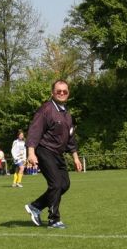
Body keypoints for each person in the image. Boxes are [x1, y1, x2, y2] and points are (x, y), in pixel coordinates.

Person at [24, 79, 83, 229]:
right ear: (52, 93)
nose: (62, 93)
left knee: (64, 185)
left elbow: (70, 139)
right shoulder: (45, 110)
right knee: (56, 184)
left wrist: (76, 158)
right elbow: (34, 131)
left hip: (58, 154)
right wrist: (31, 152)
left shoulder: (67, 114)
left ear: (68, 93)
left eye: (65, 91)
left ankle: (36, 206)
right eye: (58, 91)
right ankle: (54, 220)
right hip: (44, 150)